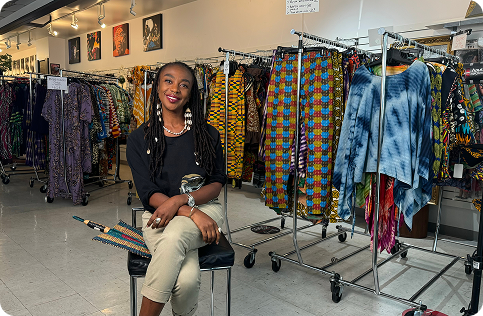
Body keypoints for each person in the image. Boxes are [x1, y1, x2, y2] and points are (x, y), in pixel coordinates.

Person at [126, 62, 226, 316]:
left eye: (184, 85)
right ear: (157, 87)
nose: (175, 89)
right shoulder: (139, 139)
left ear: (191, 93)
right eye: (168, 81)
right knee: (186, 280)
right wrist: (189, 212)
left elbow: (216, 182)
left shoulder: (208, 135)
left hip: (206, 211)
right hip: (159, 216)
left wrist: (180, 201)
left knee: (174, 236)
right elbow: (147, 192)